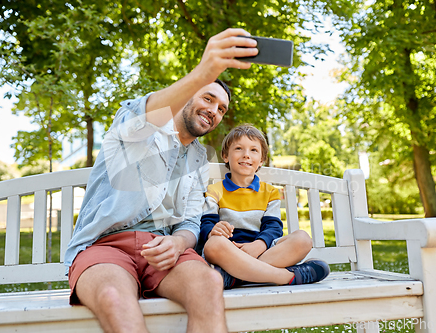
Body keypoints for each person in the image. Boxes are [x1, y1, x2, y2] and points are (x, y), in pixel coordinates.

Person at [64, 28, 260, 333]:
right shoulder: (137, 127)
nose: (213, 111)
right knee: (113, 296)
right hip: (106, 247)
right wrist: (203, 72)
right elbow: (142, 115)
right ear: (187, 94)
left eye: (221, 109)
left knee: (209, 283)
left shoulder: (199, 160)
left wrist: (177, 242)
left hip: (165, 252)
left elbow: (191, 222)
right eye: (208, 98)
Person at [197, 124, 330, 289]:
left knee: (303, 239)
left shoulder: (270, 192)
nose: (246, 155)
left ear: (261, 160)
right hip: (227, 252)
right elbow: (205, 224)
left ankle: (234, 277)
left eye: (253, 150)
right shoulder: (214, 191)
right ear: (225, 156)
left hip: (261, 250)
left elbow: (273, 228)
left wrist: (259, 245)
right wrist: (213, 230)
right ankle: (287, 277)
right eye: (239, 148)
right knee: (213, 244)